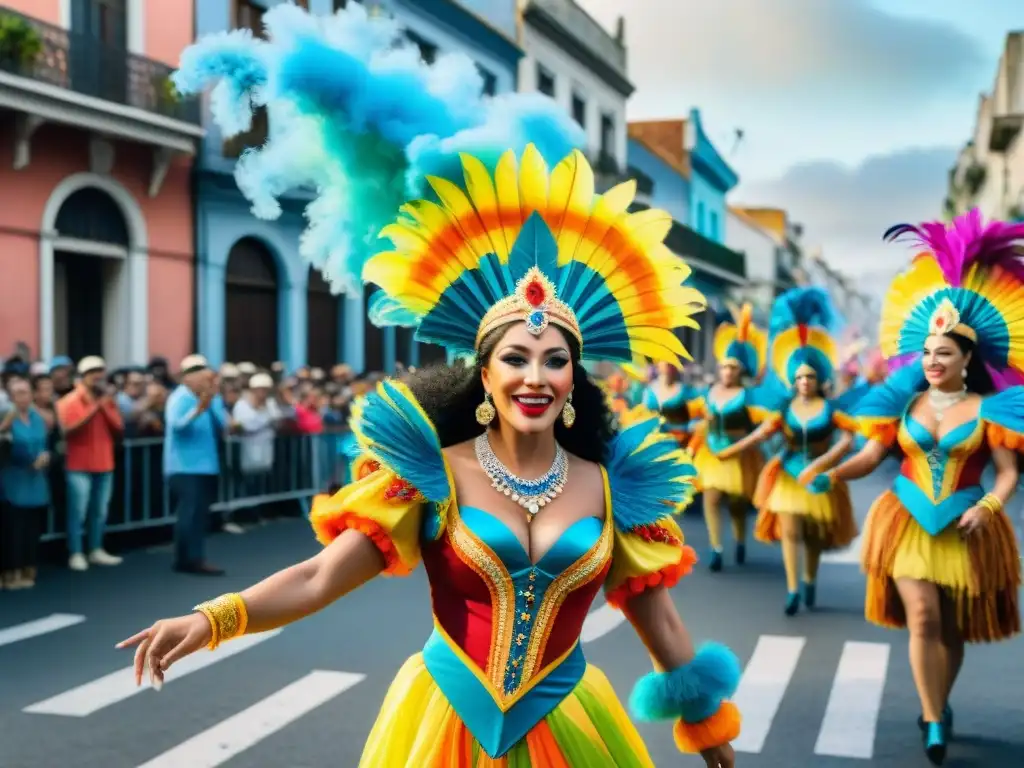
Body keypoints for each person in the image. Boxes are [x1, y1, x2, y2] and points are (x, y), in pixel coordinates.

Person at [117, 145, 741, 767]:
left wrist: (708, 727)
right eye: (516, 359)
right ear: (485, 376)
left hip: (571, 727)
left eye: (556, 360)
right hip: (447, 726)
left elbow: (659, 622)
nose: (537, 377)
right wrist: (213, 619)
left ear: (574, 379)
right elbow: (319, 576)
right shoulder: (430, 475)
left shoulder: (616, 490)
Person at [811, 210, 1023, 764]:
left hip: (966, 524)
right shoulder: (900, 404)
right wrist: (833, 473)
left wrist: (992, 506)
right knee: (924, 616)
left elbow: (1006, 472)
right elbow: (871, 454)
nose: (931, 361)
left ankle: (940, 700)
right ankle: (932, 717)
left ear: (967, 359)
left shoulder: (992, 409)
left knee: (952, 625)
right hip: (906, 520)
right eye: (927, 353)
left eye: (943, 354)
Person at [750, 287, 863, 615]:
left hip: (818, 477)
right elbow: (762, 432)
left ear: (819, 379)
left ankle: (810, 580)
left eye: (810, 377)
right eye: (799, 377)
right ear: (792, 379)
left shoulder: (831, 410)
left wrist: (827, 461)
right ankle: (792, 589)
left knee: (813, 536)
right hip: (787, 473)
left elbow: (847, 440)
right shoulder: (783, 409)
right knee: (790, 531)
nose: (804, 382)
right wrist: (734, 448)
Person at [684, 302, 772, 571]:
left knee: (735, 503)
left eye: (733, 368)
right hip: (711, 451)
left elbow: (766, 421)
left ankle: (740, 539)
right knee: (711, 498)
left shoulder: (748, 396)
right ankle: (716, 548)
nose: (728, 372)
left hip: (738, 452)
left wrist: (754, 437)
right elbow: (692, 412)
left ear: (740, 372)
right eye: (724, 368)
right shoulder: (709, 393)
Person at [56, 355, 123, 570]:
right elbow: (68, 429)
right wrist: (95, 408)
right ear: (83, 376)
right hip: (78, 465)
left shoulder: (107, 400)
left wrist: (103, 405)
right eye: (93, 372)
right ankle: (75, 552)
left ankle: (95, 549)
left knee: (99, 511)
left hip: (104, 462)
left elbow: (119, 427)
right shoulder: (69, 401)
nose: (98, 376)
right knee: (78, 511)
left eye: (100, 372)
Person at [163, 355, 228, 576]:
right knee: (189, 513)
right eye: (197, 374)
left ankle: (194, 557)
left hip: (208, 465)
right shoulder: (178, 398)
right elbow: (177, 427)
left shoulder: (211, 398)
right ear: (186, 378)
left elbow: (224, 425)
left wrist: (212, 401)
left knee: (200, 514)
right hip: (182, 467)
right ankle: (187, 559)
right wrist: (198, 409)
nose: (202, 379)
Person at [0, 377, 51, 589]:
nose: (23, 397)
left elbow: (44, 441)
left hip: (35, 481)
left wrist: (45, 456)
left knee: (32, 527)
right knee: (12, 529)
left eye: (26, 392)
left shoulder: (35, 417)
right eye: (18, 393)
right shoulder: (6, 416)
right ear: (10, 397)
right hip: (12, 479)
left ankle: (28, 567)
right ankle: (10, 572)